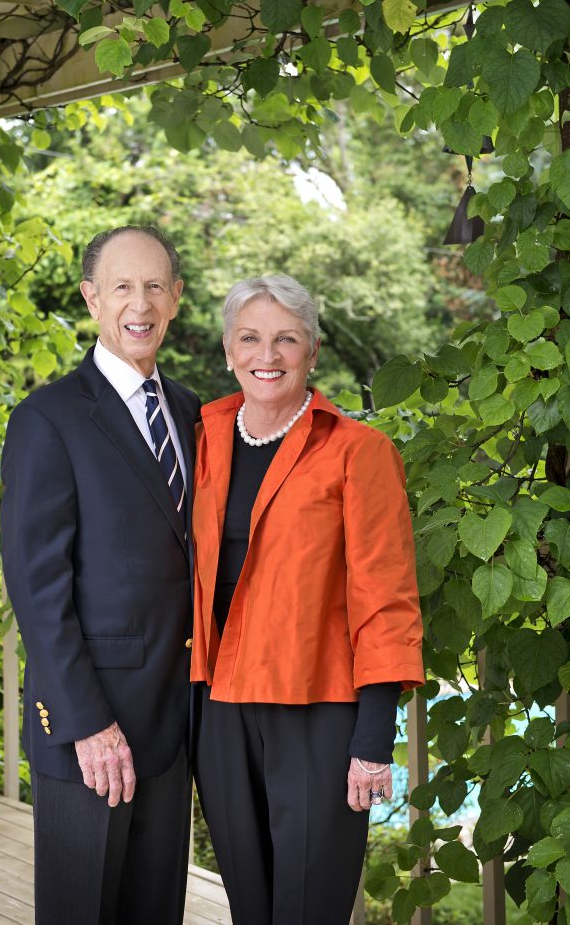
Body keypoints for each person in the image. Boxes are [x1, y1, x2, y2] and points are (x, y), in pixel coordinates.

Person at [190, 275, 424, 925]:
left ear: (312, 351)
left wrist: (374, 736)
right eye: (252, 338)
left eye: (286, 338)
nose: (269, 354)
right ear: (230, 348)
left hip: (319, 709)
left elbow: (388, 597)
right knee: (251, 904)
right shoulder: (204, 435)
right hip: (221, 706)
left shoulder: (359, 450)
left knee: (308, 906)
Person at [0, 225, 200, 925]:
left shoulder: (189, 411)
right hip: (93, 731)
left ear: (176, 299)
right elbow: (37, 588)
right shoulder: (47, 419)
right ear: (92, 299)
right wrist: (88, 723)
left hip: (174, 724)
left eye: (154, 286)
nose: (138, 304)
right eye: (121, 286)